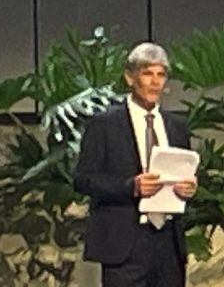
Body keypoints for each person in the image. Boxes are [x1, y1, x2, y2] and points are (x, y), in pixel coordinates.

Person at [74, 42, 197, 287]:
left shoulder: (176, 127)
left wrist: (189, 188)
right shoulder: (104, 125)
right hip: (125, 245)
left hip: (168, 244)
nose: (155, 82)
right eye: (147, 73)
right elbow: (83, 179)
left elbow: (184, 173)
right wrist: (131, 186)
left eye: (161, 74)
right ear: (130, 78)